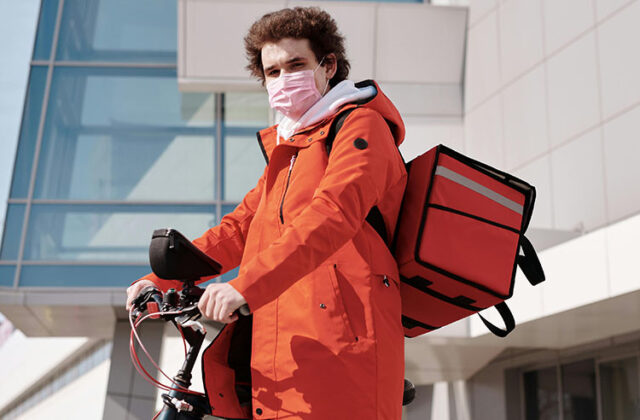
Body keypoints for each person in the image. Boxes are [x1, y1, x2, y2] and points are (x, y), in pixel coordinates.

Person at [126, 7, 407, 419]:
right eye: (272, 71)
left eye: (296, 65)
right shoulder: (291, 149)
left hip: (341, 343)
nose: (282, 79)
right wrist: (159, 279)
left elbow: (332, 214)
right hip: (281, 344)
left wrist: (245, 285)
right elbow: (239, 229)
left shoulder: (360, 127)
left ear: (328, 65)